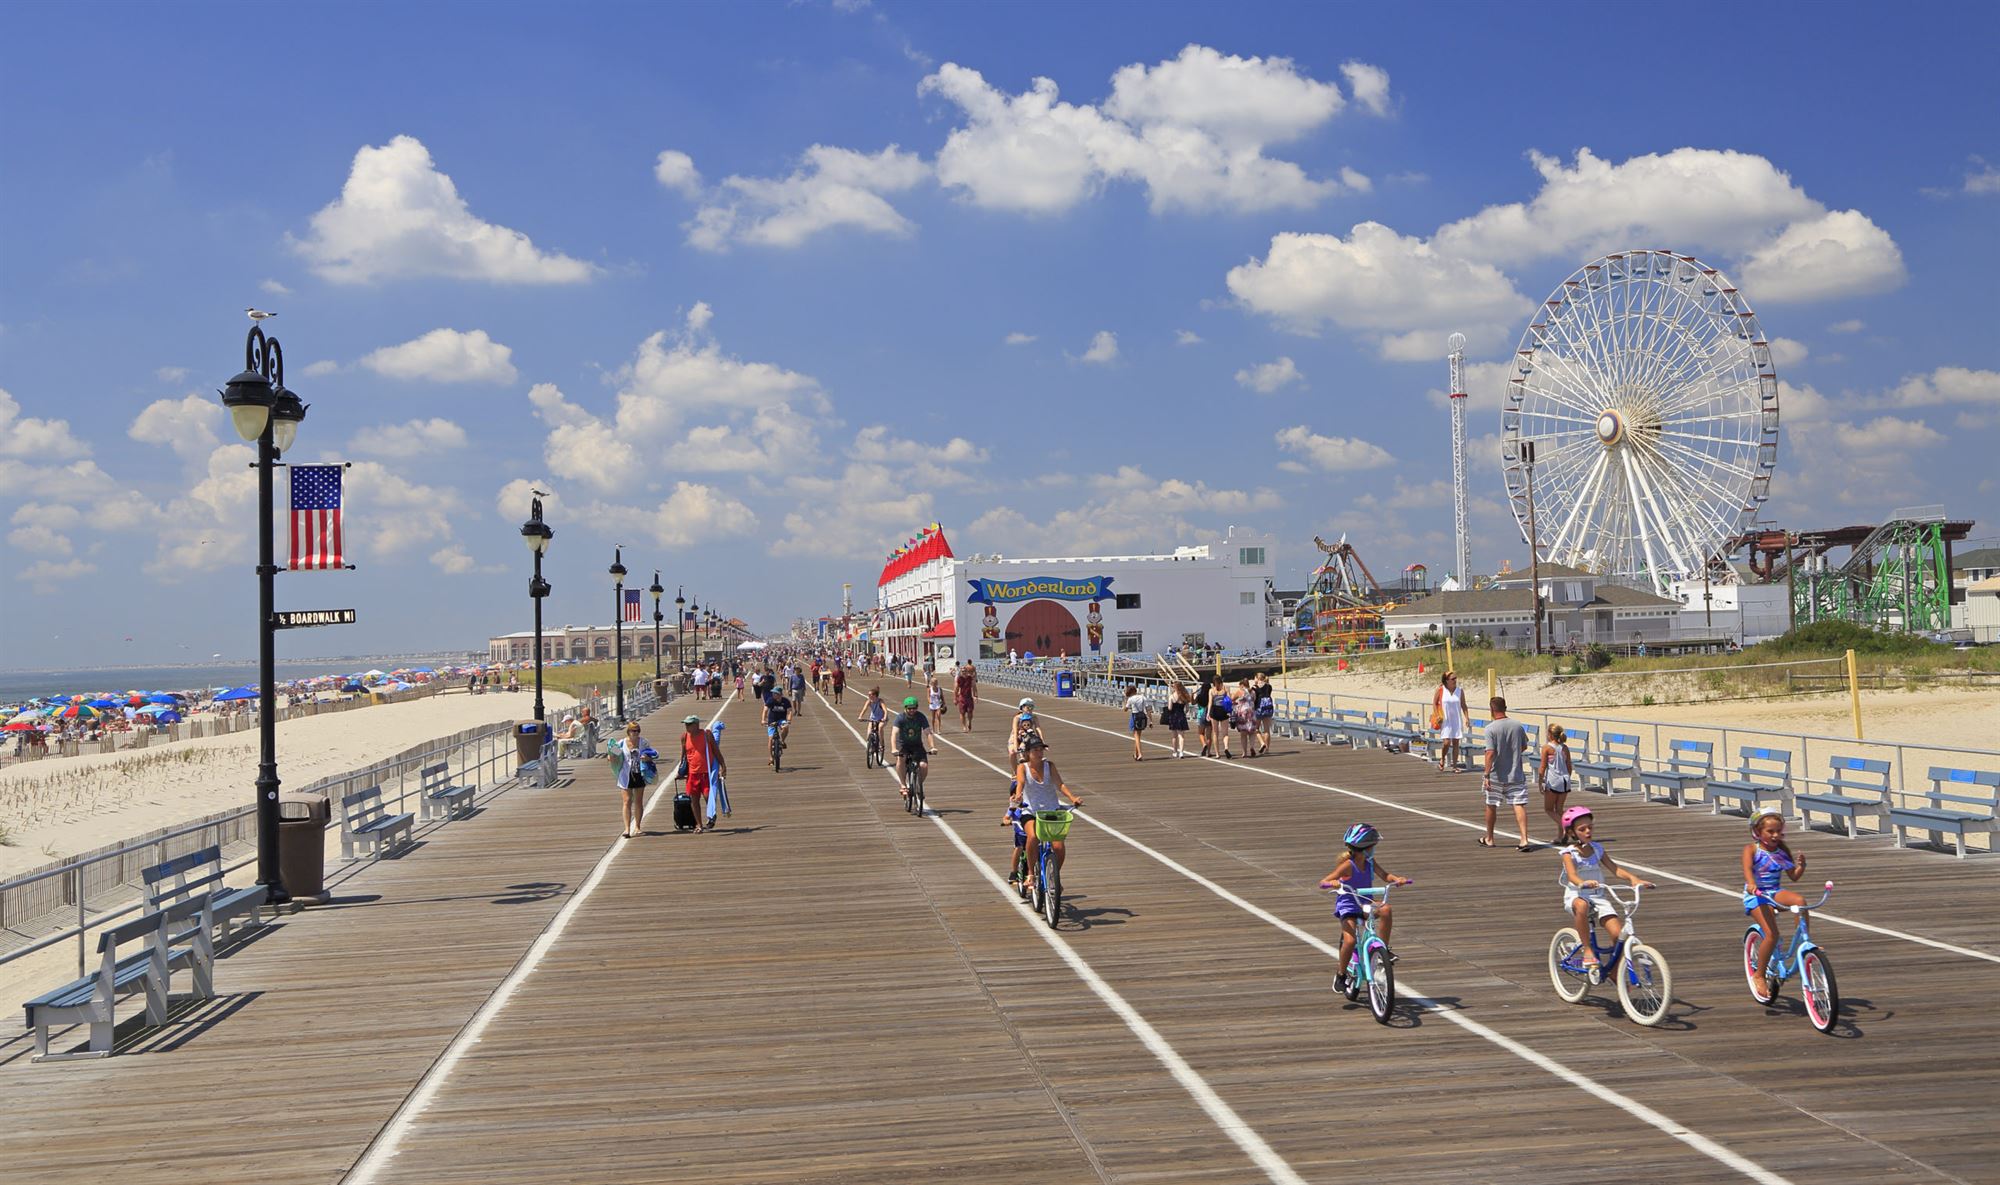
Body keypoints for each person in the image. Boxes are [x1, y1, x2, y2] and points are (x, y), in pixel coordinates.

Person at [1319, 823, 1411, 995]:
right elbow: (1324, 881)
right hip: (1348, 905)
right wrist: (1332, 883)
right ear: (1366, 847)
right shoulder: (1348, 865)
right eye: (1373, 846)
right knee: (1350, 941)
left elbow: (1384, 875)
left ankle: (1383, 948)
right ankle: (1341, 974)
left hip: (1365, 903)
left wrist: (1397, 879)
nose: (1374, 849)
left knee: (1385, 909)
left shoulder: (1370, 862)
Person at [1557, 807, 1654, 970]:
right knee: (1581, 905)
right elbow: (1572, 875)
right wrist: (1582, 882)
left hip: (1598, 896)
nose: (1588, 831)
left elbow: (1614, 869)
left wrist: (1633, 878)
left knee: (1618, 935)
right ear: (1571, 833)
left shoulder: (1597, 849)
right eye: (1582, 829)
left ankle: (1614, 972)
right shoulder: (1569, 854)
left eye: (1590, 827)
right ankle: (1587, 950)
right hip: (1577, 894)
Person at [1742, 808, 1810, 998]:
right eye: (1770, 832)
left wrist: (1801, 866)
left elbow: (1794, 877)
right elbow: (1748, 869)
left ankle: (1805, 942)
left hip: (1774, 892)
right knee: (1772, 935)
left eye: (1778, 831)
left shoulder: (1782, 852)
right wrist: (1751, 883)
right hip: (1756, 895)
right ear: (1757, 832)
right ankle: (1759, 975)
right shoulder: (1751, 849)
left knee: (1800, 901)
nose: (1775, 835)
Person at [1011, 737, 1084, 892]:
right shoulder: (1022, 768)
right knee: (1032, 837)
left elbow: (1060, 784)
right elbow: (1021, 783)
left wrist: (1073, 798)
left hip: (1051, 810)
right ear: (1028, 753)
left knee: (1059, 846)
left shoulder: (1049, 766)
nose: (1038, 753)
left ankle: (1053, 876)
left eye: (1040, 749)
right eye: (1035, 750)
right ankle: (1030, 874)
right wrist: (1018, 795)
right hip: (1030, 810)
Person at [1479, 696, 1533, 850]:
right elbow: (1524, 746)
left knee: (1491, 805)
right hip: (1516, 772)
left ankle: (1489, 838)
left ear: (1491, 709)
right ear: (1505, 707)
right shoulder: (1517, 726)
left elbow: (1490, 753)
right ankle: (1524, 839)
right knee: (1519, 805)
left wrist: (1486, 775)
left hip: (1496, 774)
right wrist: (1512, 753)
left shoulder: (1490, 728)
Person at [679, 714, 726, 833]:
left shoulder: (706, 735)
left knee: (708, 796)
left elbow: (716, 751)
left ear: (696, 725)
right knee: (694, 800)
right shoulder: (684, 737)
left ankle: (711, 815)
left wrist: (723, 766)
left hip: (706, 773)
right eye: (686, 724)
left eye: (689, 724)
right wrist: (681, 771)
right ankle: (699, 825)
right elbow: (684, 755)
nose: (687, 727)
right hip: (692, 773)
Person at [611, 721, 652, 839]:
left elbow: (652, 756)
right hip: (625, 775)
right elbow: (611, 756)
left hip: (639, 773)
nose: (636, 733)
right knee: (627, 801)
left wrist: (646, 758)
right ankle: (627, 828)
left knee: (638, 801)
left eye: (638, 731)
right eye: (634, 731)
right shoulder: (621, 743)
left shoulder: (643, 743)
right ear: (628, 731)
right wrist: (613, 757)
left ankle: (638, 827)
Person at [1538, 723, 1576, 845]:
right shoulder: (1565, 748)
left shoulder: (1547, 748)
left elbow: (1543, 767)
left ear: (1550, 735)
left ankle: (1567, 829)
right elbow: (1569, 765)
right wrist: (1567, 777)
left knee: (1549, 809)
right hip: (1565, 780)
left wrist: (1540, 781)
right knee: (1559, 809)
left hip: (1554, 781)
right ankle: (1560, 837)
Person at [891, 695, 934, 797]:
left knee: (923, 766)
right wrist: (893, 748)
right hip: (903, 744)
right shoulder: (900, 718)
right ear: (905, 708)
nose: (912, 710)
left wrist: (932, 746)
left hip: (917, 745)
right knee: (901, 759)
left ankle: (918, 785)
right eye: (909, 708)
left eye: (914, 708)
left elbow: (928, 732)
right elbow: (894, 733)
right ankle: (903, 784)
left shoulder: (921, 717)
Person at [1432, 671, 1468, 773]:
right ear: (1447, 680)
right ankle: (1442, 758)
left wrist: (1467, 718)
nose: (1455, 680)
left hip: (1456, 719)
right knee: (1447, 742)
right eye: (1453, 679)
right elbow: (1434, 703)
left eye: (1456, 678)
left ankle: (1455, 766)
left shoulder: (1460, 691)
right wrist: (1437, 715)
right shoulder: (1440, 690)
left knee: (1456, 742)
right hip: (1445, 720)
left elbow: (1463, 705)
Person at [762, 683, 792, 764]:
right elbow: (765, 710)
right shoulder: (770, 700)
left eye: (774, 693)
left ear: (779, 694)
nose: (773, 694)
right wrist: (763, 720)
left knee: (786, 727)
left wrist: (789, 720)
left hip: (781, 719)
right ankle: (771, 758)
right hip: (772, 720)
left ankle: (782, 741)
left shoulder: (785, 701)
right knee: (770, 739)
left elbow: (789, 711)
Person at [1007, 698, 1043, 766]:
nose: (1030, 708)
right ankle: (1015, 772)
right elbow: (1015, 732)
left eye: (1032, 706)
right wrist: (1015, 745)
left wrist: (1041, 741)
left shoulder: (1034, 717)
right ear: (1022, 707)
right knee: (1012, 753)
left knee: (1030, 753)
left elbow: (1038, 729)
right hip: (1017, 736)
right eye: (1028, 706)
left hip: (1027, 736)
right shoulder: (1017, 718)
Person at [1161, 682, 1191, 758]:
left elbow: (1170, 708)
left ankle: (1175, 752)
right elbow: (1187, 709)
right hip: (1181, 716)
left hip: (1173, 716)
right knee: (1181, 736)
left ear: (1174, 688)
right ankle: (1181, 752)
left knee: (1174, 736)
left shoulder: (1171, 697)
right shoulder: (1184, 696)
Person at [1122, 684, 1150, 760]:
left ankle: (1140, 754)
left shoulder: (1130, 699)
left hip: (1135, 716)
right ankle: (1136, 753)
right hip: (1142, 716)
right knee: (1138, 737)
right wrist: (1151, 721)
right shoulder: (1143, 697)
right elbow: (1148, 709)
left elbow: (1125, 709)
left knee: (1136, 737)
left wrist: (1125, 701)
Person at [1232, 680, 1258, 759]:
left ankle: (1244, 752)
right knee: (1252, 732)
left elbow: (1232, 699)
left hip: (1242, 713)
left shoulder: (1240, 691)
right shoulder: (1253, 692)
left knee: (1243, 733)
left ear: (1242, 685)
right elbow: (1254, 700)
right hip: (1251, 712)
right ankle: (1252, 747)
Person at [1252, 673, 1275, 756]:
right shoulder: (1269, 686)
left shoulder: (1254, 688)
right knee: (1266, 730)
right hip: (1268, 709)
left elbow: (1254, 699)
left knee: (1256, 728)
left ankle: (1262, 743)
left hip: (1259, 709)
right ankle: (1267, 749)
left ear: (1257, 678)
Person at [955, 661, 977, 732]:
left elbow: (974, 687)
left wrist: (975, 696)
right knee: (962, 712)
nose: (963, 672)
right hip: (962, 697)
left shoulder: (970, 678)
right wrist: (955, 698)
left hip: (969, 697)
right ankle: (964, 726)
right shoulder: (959, 679)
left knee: (970, 711)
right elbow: (956, 689)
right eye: (962, 671)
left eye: (964, 671)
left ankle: (969, 722)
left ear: (967, 671)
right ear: (961, 672)